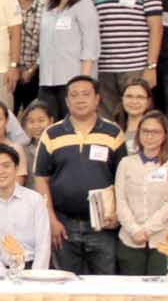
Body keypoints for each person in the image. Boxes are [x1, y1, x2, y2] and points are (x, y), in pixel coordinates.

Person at [33, 78, 123, 274]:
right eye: (74, 95)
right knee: (64, 287)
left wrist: (117, 213)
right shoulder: (52, 134)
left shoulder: (113, 132)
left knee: (105, 287)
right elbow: (41, 178)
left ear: (97, 99)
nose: (80, 99)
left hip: (103, 226)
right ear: (66, 101)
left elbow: (123, 179)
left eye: (86, 94)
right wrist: (51, 219)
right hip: (63, 225)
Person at [89, 0, 164, 121]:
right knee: (105, 118)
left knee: (137, 116)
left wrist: (151, 66)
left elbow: (156, 28)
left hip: (135, 67)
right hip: (103, 68)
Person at [113, 111, 168, 275]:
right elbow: (121, 201)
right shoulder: (126, 163)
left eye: (155, 132)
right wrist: (134, 230)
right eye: (145, 131)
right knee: (133, 293)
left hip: (164, 239)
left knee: (161, 292)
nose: (149, 136)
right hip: (130, 239)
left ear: (164, 136)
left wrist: (147, 230)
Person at [0, 145, 53, 274]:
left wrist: (36, 276)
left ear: (16, 168)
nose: (0, 172)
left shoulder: (35, 200)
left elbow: (43, 246)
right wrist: (4, 277)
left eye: (6, 166)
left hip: (32, 269)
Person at [35, 0, 97, 118]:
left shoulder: (84, 5)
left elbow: (91, 45)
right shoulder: (49, 8)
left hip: (73, 81)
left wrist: (84, 81)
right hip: (47, 81)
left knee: (73, 127)